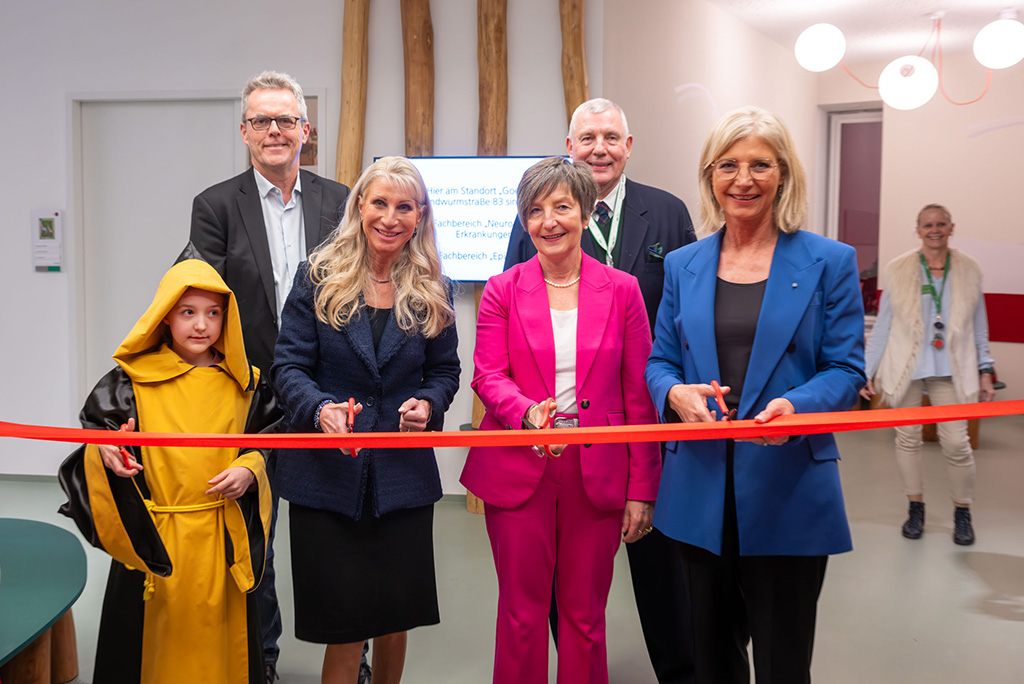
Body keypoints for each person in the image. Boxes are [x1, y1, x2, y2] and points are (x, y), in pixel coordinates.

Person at [645, 106, 866, 684]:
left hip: (788, 484)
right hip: (699, 489)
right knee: (711, 660)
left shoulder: (829, 262)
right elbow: (660, 361)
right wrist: (675, 394)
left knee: (781, 662)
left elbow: (847, 369)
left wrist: (799, 406)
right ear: (710, 175)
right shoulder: (684, 265)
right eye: (728, 165)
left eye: (760, 165)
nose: (743, 179)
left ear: (783, 174)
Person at [503, 98, 696, 684]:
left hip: (644, 419)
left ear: (628, 146)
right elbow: (512, 310)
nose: (599, 148)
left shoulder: (668, 212)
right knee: (564, 589)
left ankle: (678, 672)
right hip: (557, 438)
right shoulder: (535, 222)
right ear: (570, 147)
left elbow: (685, 314)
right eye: (587, 138)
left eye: (611, 137)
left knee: (661, 567)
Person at [462, 157, 661, 684]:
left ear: (586, 214)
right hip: (518, 465)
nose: (548, 221)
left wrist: (642, 488)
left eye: (562, 207)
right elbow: (487, 376)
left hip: (596, 471)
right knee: (521, 615)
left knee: (585, 618)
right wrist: (527, 412)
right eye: (535, 210)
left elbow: (638, 396)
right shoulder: (502, 289)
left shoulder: (623, 289)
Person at [270, 156, 460, 684]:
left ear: (420, 216)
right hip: (328, 480)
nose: (390, 218)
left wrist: (429, 404)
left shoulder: (434, 288)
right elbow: (287, 366)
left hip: (402, 480)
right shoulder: (317, 278)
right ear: (359, 206)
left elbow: (444, 372)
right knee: (345, 623)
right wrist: (319, 409)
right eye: (379, 203)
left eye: (405, 207)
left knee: (396, 617)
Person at [189, 70, 352, 684]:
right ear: (244, 132)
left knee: (339, 536)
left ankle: (352, 657)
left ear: (306, 130)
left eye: (286, 119)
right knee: (254, 540)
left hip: (328, 396)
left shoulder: (341, 201)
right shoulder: (214, 206)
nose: (274, 130)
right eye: (262, 120)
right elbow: (201, 301)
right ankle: (261, 660)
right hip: (249, 399)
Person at [58, 251, 281, 684]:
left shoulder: (247, 384)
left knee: (219, 648)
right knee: (153, 646)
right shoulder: (130, 382)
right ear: (165, 317)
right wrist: (107, 451)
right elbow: (100, 434)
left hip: (219, 542)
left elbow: (270, 441)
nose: (201, 325)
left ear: (226, 318)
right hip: (155, 539)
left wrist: (251, 468)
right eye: (187, 312)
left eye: (213, 312)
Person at [859, 203, 995, 545]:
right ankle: (915, 507)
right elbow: (884, 326)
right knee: (907, 439)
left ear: (951, 227)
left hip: (950, 370)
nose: (934, 230)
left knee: (957, 443)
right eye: (927, 225)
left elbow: (979, 327)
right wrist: (866, 371)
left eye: (941, 224)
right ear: (918, 230)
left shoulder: (969, 269)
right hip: (906, 367)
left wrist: (985, 369)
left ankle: (962, 511)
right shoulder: (899, 269)